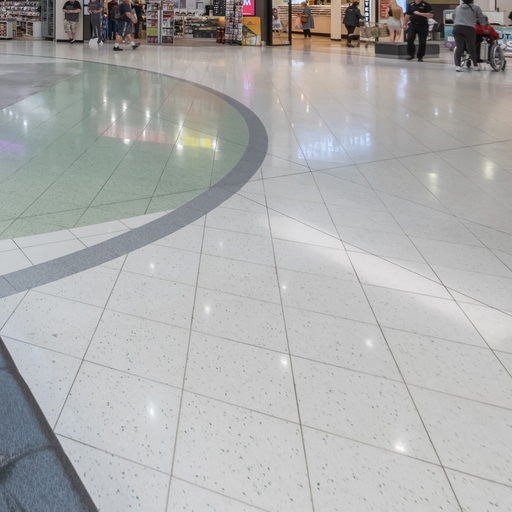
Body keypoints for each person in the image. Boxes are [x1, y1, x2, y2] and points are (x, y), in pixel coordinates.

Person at [453, 0, 485, 72]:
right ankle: (475, 65)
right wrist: (484, 28)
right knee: (471, 47)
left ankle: (457, 66)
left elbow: (453, 17)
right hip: (469, 29)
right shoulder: (476, 8)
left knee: (459, 47)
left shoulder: (457, 7)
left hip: (457, 28)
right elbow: (481, 19)